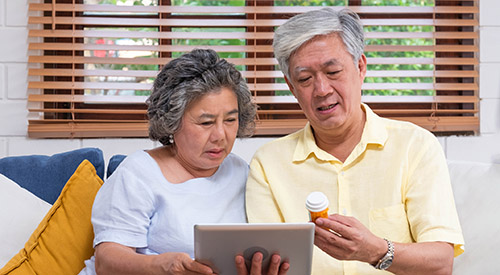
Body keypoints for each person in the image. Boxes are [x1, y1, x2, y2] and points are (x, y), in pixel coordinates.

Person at [246, 8, 464, 275]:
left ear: (360, 67)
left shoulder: (415, 146)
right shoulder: (268, 164)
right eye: (305, 79)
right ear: (292, 88)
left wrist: (375, 251)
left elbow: (442, 263)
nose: (322, 90)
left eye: (333, 71)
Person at [79, 49, 289, 275]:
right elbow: (106, 261)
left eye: (230, 120)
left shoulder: (240, 172)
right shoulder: (138, 173)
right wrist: (162, 267)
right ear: (173, 122)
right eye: (206, 122)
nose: (220, 135)